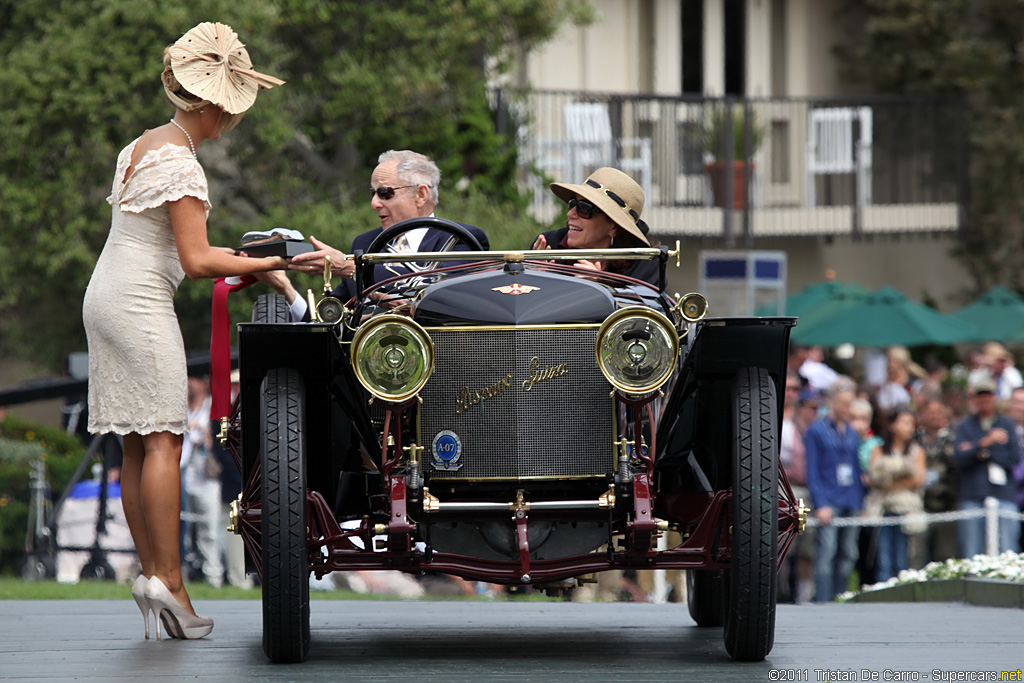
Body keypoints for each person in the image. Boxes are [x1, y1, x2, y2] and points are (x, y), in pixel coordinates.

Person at [82, 21, 285, 640]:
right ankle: (169, 581)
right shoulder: (183, 165)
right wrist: (274, 261)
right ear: (221, 107)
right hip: (140, 305)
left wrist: (259, 260)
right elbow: (198, 263)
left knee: (137, 443)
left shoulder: (144, 145)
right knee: (165, 438)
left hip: (107, 297)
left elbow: (175, 245)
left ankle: (155, 578)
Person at [258, 149, 489, 318]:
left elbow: (437, 301)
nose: (374, 203)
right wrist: (285, 288)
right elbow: (329, 323)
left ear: (420, 194)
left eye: (385, 193)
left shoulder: (462, 239)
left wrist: (352, 270)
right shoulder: (365, 243)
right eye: (373, 193)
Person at [531, 167, 658, 286]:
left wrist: (599, 287)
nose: (570, 214)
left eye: (584, 209)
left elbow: (641, 308)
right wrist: (534, 279)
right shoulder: (547, 246)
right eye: (572, 204)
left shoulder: (644, 263)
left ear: (614, 226)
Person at [805, 381, 864, 602]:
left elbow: (856, 468)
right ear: (831, 402)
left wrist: (861, 503)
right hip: (829, 499)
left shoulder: (851, 431)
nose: (847, 408)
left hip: (850, 498)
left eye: (850, 404)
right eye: (843, 403)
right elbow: (812, 470)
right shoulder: (816, 430)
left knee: (849, 553)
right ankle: (823, 600)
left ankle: (841, 598)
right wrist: (820, 504)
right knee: (827, 552)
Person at [952, 378, 1022, 557]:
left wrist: (981, 451)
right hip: (973, 494)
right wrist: (987, 442)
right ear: (974, 400)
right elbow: (960, 459)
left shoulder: (1006, 424)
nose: (984, 400)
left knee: (1007, 552)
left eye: (988, 396)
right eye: (980, 396)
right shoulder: (964, 425)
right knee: (971, 553)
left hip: (1003, 494)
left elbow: (1014, 458)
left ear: (995, 398)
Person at [864, 408, 926, 581]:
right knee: (883, 559)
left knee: (902, 558)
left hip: (906, 511)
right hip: (883, 510)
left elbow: (918, 479)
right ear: (892, 425)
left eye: (912, 424)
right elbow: (873, 476)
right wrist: (899, 478)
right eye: (905, 423)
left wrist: (890, 483)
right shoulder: (878, 449)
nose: (909, 428)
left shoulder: (917, 451)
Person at [180, 377, 222, 588]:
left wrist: (205, 432)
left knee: (209, 528)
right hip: (185, 473)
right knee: (183, 527)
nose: (189, 383)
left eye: (194, 378)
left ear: (204, 383)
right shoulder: (182, 409)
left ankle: (213, 574)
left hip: (207, 476)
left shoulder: (212, 409)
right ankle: (184, 573)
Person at [779, 380, 818, 603]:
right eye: (788, 388)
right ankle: (779, 594)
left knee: (807, 548)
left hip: (808, 488)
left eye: (795, 389)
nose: (791, 393)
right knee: (783, 544)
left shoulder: (806, 424)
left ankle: (804, 596)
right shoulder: (778, 421)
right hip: (785, 488)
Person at [911, 398, 959, 567]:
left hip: (948, 504)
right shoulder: (914, 438)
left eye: (938, 412)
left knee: (946, 554)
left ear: (945, 415)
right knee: (916, 554)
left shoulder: (955, 437)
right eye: (930, 412)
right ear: (922, 415)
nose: (934, 416)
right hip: (919, 504)